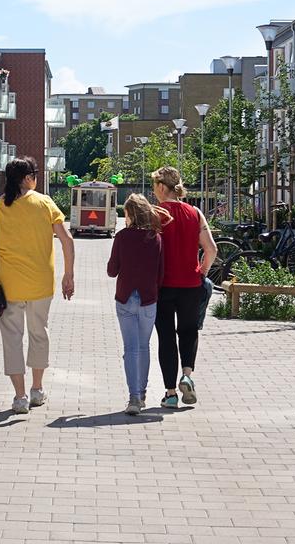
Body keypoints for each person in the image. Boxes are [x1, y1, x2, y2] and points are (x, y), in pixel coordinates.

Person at [0, 156, 75, 414]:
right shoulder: (45, 203)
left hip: (7, 286)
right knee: (39, 333)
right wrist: (69, 275)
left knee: (12, 339)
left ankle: (19, 397)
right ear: (28, 177)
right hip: (41, 282)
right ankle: (37, 389)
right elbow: (66, 239)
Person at [151, 166, 217, 409]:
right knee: (189, 332)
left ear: (161, 187)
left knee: (166, 337)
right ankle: (187, 375)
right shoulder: (195, 212)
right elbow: (211, 249)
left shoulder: (155, 214)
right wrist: (202, 273)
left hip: (163, 286)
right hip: (191, 284)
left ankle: (170, 394)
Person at [106, 194, 169, 415]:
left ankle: (133, 398)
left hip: (125, 298)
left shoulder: (122, 237)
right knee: (144, 347)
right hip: (149, 299)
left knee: (130, 349)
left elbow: (112, 270)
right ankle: (141, 393)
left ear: (130, 213)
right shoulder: (156, 238)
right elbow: (161, 274)